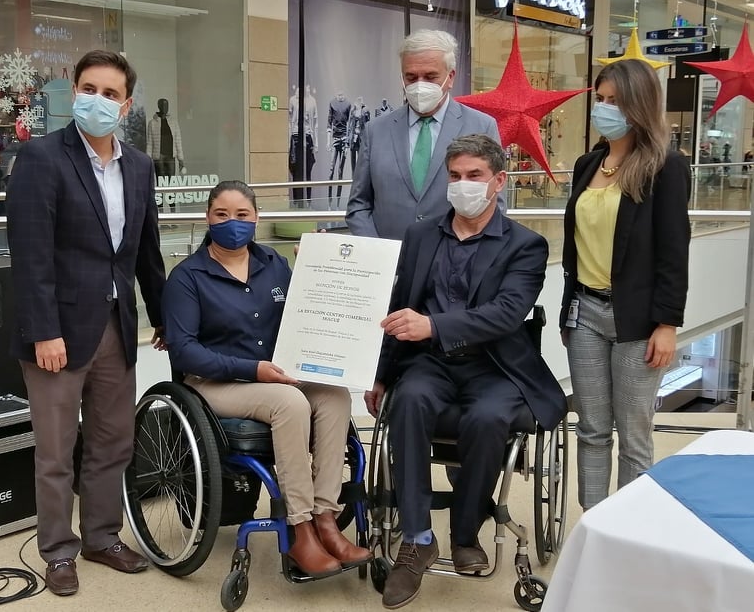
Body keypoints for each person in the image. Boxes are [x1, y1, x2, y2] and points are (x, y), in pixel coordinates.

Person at [364, 134, 566, 609]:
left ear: (498, 181)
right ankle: (417, 539)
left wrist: (433, 325)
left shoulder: (525, 245)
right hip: (429, 363)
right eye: (454, 176)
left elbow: (506, 313)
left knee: (488, 417)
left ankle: (465, 533)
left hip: (494, 365)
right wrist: (381, 374)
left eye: (474, 175)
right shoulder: (421, 236)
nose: (462, 184)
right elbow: (400, 308)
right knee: (408, 401)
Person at [6, 50, 167, 596]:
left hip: (116, 326)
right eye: (89, 89)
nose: (97, 100)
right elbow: (30, 255)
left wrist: (162, 317)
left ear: (126, 105)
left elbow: (146, 252)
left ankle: (101, 537)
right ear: (74, 91)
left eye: (110, 93)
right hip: (57, 332)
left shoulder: (139, 166)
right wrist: (43, 331)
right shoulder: (41, 158)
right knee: (56, 451)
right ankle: (57, 550)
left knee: (112, 442)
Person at [163, 180, 372, 578]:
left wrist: (316, 269)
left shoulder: (274, 264)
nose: (233, 222)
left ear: (256, 218)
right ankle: (300, 528)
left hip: (274, 375)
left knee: (334, 397)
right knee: (289, 403)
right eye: (222, 214)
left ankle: (326, 518)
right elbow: (184, 351)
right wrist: (252, 369)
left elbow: (306, 313)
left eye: (242, 214)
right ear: (208, 218)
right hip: (214, 384)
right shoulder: (188, 277)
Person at [560, 59, 691, 511]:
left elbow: (674, 251)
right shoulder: (587, 163)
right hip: (584, 313)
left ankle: (631, 529)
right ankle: (594, 527)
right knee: (592, 429)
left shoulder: (665, 166)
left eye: (615, 101)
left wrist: (667, 324)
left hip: (638, 319)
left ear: (639, 104)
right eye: (600, 99)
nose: (604, 108)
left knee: (634, 435)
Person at [346, 29, 503, 240]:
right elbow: (359, 204)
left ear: (450, 77)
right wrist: (375, 249)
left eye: (430, 77)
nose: (420, 85)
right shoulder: (376, 131)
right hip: (391, 256)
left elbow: (495, 203)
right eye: (411, 77)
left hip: (455, 256)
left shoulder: (481, 126)